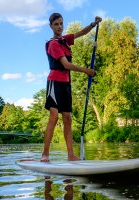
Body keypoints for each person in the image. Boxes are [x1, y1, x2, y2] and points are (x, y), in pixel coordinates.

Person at [41, 13, 102, 162]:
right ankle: (45, 155)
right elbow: (66, 65)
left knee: (67, 118)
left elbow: (81, 33)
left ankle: (71, 155)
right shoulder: (53, 44)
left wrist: (93, 25)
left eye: (61, 23)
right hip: (55, 82)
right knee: (54, 117)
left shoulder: (65, 40)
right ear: (51, 26)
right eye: (56, 24)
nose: (59, 26)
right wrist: (86, 71)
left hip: (66, 84)